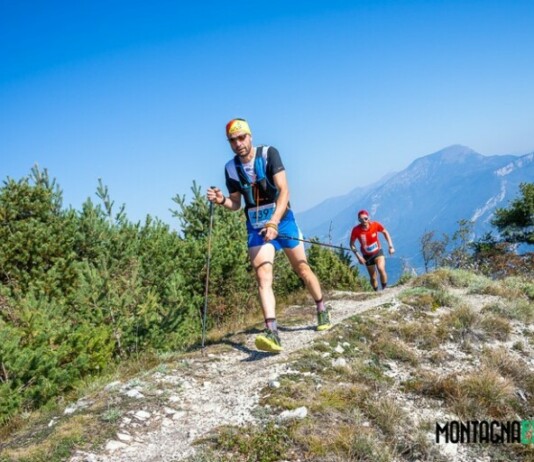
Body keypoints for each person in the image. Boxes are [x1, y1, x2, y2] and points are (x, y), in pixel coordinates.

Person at [207, 118, 331, 353]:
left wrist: (274, 221)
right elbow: (236, 203)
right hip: (256, 226)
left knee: (302, 269)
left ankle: (321, 308)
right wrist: (222, 200)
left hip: (282, 221)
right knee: (263, 276)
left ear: (250, 136)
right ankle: (272, 332)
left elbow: (284, 190)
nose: (238, 144)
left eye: (241, 138)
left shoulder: (268, 154)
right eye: (232, 140)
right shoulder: (231, 168)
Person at [349, 209, 395, 291]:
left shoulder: (375, 225)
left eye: (365, 218)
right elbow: (352, 244)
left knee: (381, 269)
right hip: (367, 256)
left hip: (378, 252)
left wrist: (390, 246)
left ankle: (384, 289)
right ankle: (376, 292)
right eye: (361, 219)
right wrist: (359, 257)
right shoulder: (356, 230)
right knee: (373, 277)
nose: (364, 221)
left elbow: (385, 232)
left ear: (368, 218)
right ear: (358, 220)